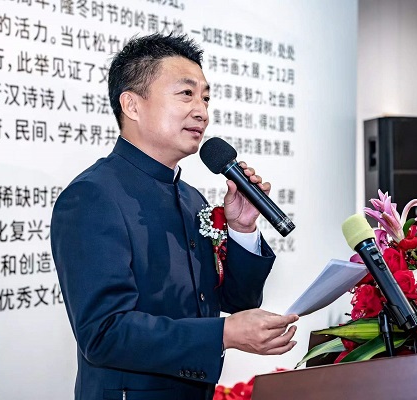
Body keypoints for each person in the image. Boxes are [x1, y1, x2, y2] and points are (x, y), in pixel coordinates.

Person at [51, 32, 299, 400]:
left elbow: (238, 301)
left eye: (206, 98)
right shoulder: (92, 196)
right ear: (132, 105)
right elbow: (103, 333)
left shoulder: (191, 198)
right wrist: (224, 334)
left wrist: (242, 228)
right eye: (186, 94)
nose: (202, 111)